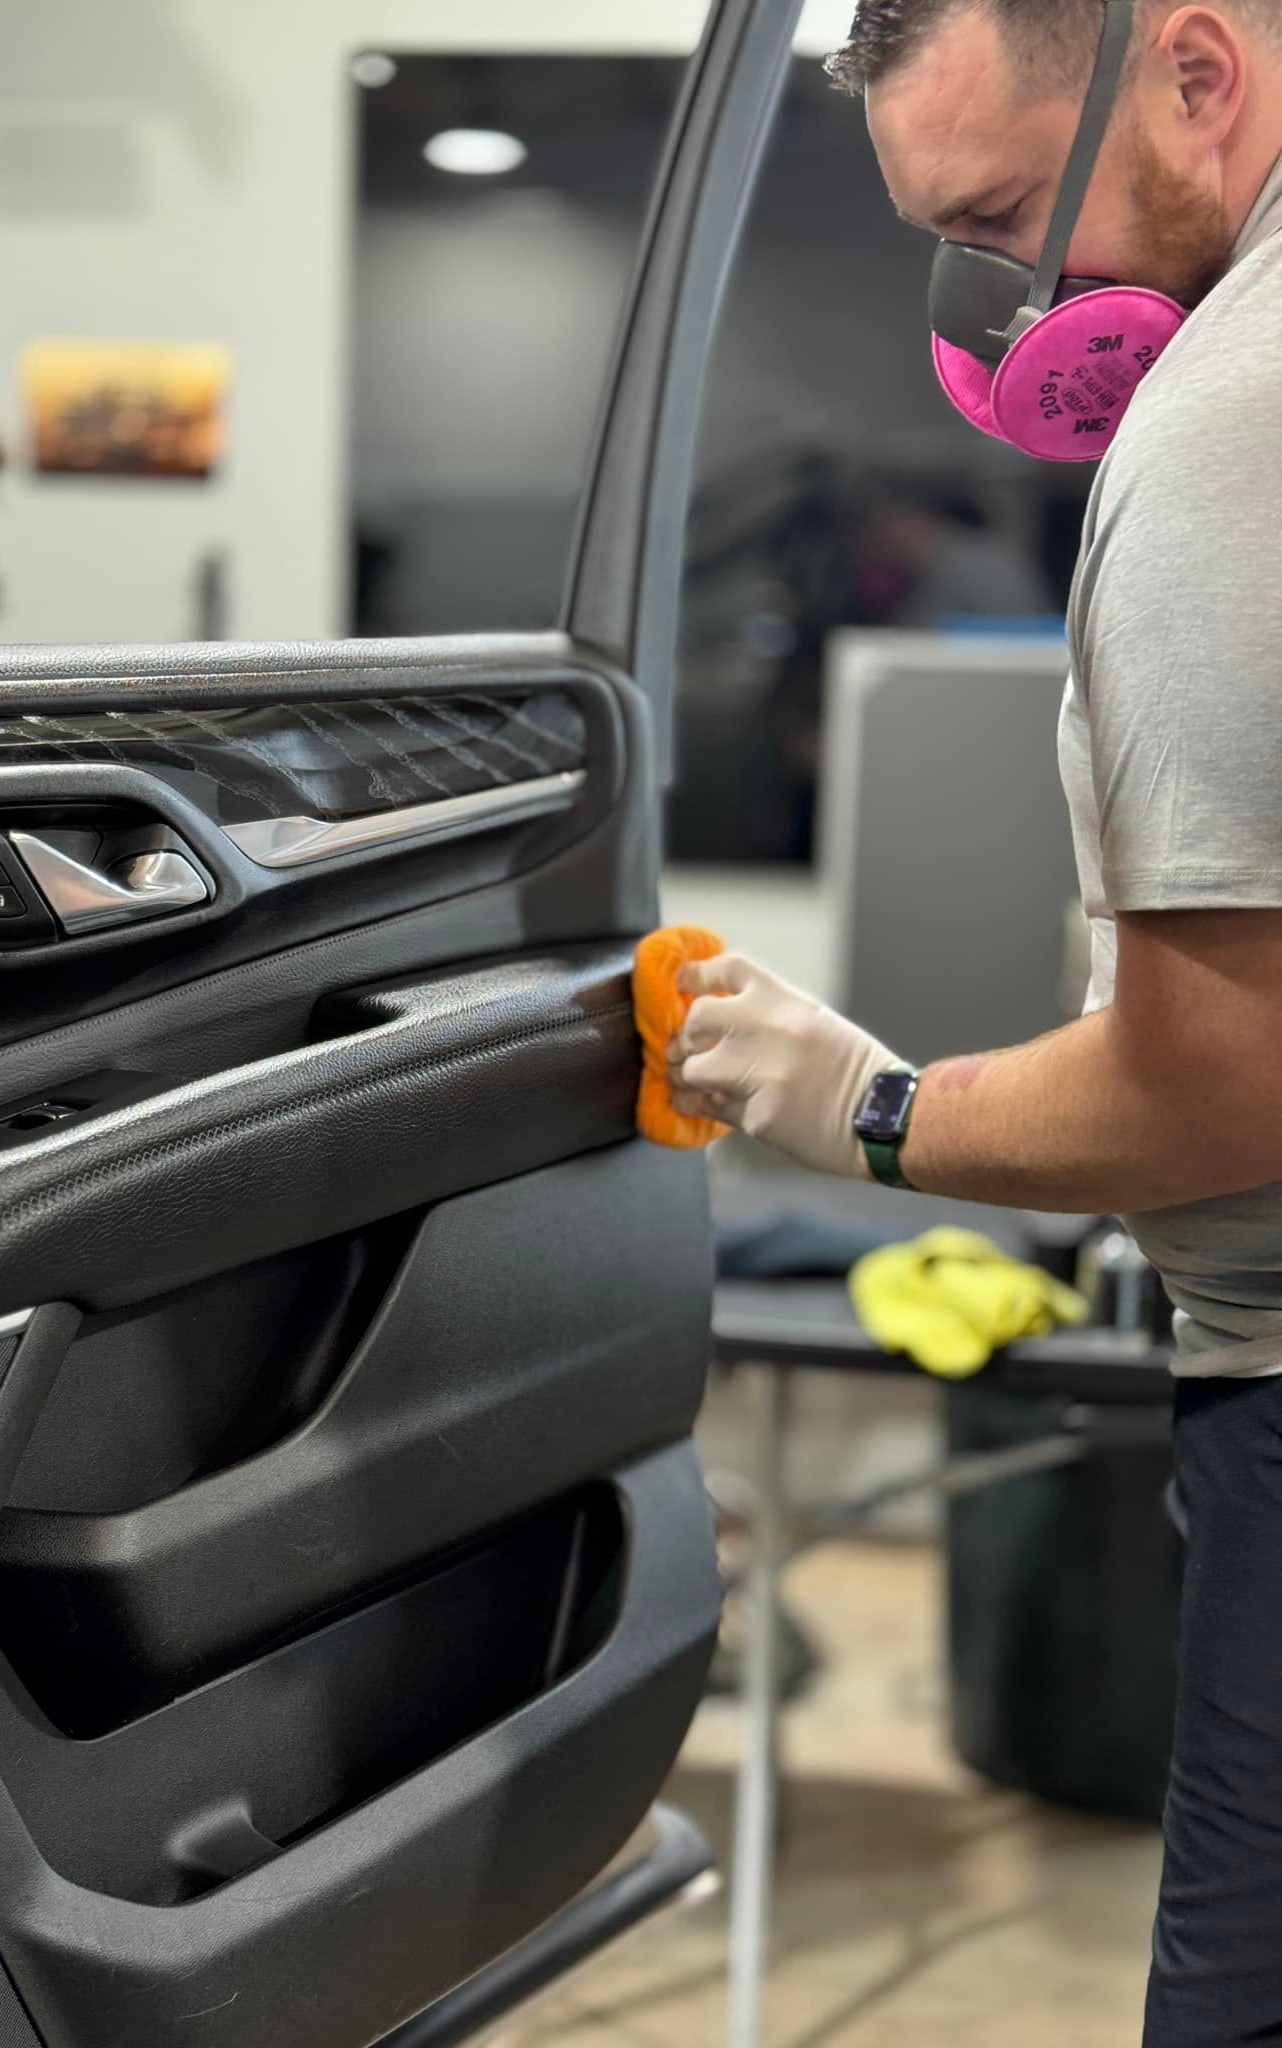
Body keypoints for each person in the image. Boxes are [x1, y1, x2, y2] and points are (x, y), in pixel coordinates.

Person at [667, 3, 1282, 2039]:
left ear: (1197, 75)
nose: (1017, 312)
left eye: (1012, 216)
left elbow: (1216, 1089)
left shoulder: (1224, 426)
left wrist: (863, 1101)